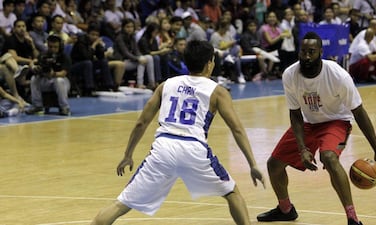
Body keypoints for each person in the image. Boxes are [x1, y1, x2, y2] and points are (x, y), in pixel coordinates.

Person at [91, 40, 266, 225]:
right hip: (194, 149)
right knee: (232, 194)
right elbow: (236, 128)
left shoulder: (167, 84)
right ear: (210, 63)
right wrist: (253, 164)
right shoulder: (218, 91)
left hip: (163, 148)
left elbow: (142, 122)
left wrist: (128, 155)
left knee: (121, 205)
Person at [256, 32, 376, 225]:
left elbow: (359, 112)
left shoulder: (338, 75)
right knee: (274, 165)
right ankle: (286, 209)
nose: (306, 56)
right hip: (307, 122)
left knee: (329, 158)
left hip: (336, 121)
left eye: (311, 52)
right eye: (304, 51)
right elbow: (295, 114)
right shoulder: (290, 74)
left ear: (320, 52)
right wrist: (302, 149)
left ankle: (352, 219)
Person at [26, 35, 71, 115]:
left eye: (55, 47)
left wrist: (53, 74)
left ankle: (64, 107)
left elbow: (63, 73)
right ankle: (37, 106)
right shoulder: (43, 55)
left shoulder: (64, 57)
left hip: (62, 81)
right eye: (50, 47)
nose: (53, 49)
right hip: (46, 80)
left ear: (59, 46)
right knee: (34, 78)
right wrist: (34, 68)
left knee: (59, 80)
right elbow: (34, 62)